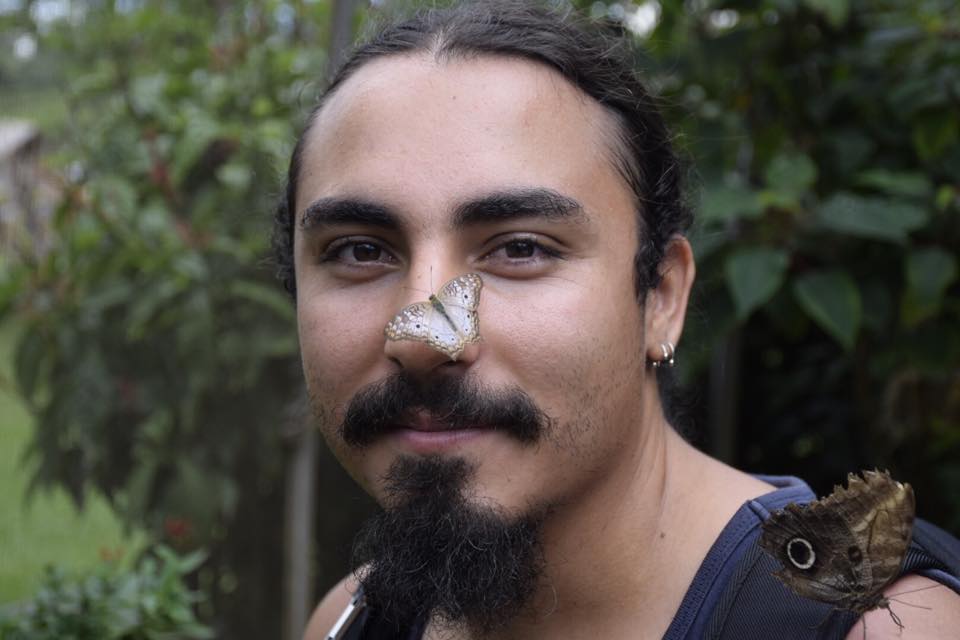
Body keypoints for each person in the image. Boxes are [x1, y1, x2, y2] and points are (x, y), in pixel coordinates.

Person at [270, 2, 960, 638]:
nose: (421, 337)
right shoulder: (352, 619)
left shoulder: (880, 627)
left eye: (520, 249)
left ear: (660, 297)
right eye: (359, 251)